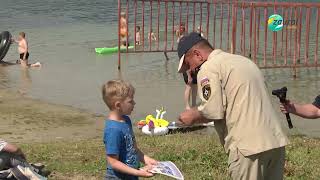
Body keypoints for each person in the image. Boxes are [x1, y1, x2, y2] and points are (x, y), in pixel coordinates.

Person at [177, 32, 288, 180]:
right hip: (275, 142)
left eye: (188, 65)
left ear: (197, 55)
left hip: (247, 148)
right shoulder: (243, 61)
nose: (190, 71)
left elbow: (213, 110)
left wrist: (192, 116)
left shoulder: (209, 67)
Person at [102, 80, 158, 179]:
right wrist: (139, 173)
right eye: (130, 101)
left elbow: (133, 149)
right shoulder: (113, 130)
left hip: (131, 175)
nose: (134, 103)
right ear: (118, 105)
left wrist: (146, 159)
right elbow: (113, 162)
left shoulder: (126, 120)